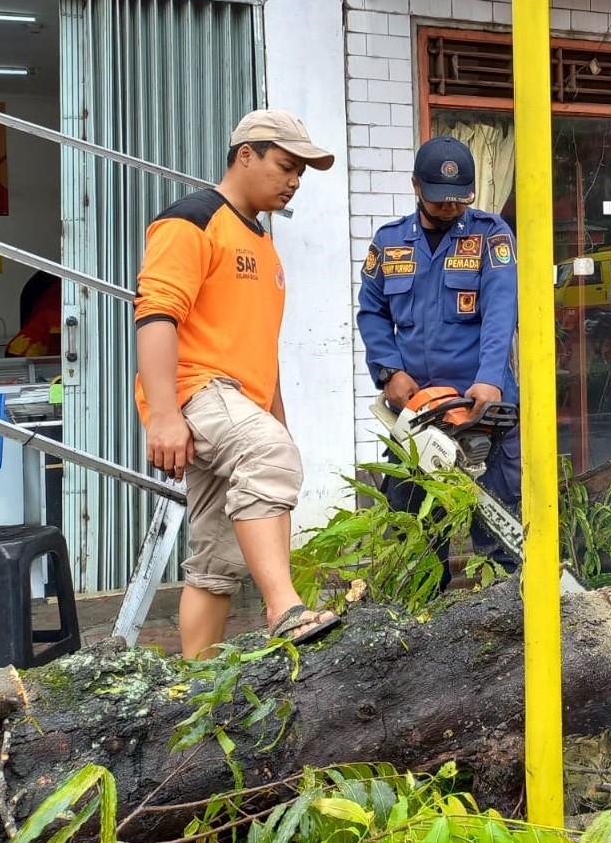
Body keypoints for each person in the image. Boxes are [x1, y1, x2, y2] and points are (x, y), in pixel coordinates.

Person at [145, 108, 338, 658]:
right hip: (198, 390)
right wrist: (163, 414)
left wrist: (276, 419)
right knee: (271, 461)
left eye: (301, 170)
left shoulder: (263, 243)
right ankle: (285, 610)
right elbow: (156, 315)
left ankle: (193, 682)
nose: (295, 180)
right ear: (246, 154)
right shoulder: (192, 220)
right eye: (286, 165)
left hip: (238, 400)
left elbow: (260, 346)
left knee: (216, 561)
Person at [356, 135, 521, 569]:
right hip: (418, 413)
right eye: (440, 200)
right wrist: (389, 371)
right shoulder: (390, 243)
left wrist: (490, 378)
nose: (450, 208)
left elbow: (501, 313)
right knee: (416, 538)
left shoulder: (491, 236)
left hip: (482, 410)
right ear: (416, 187)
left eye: (458, 201)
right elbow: (371, 312)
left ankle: (509, 616)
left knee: (500, 535)